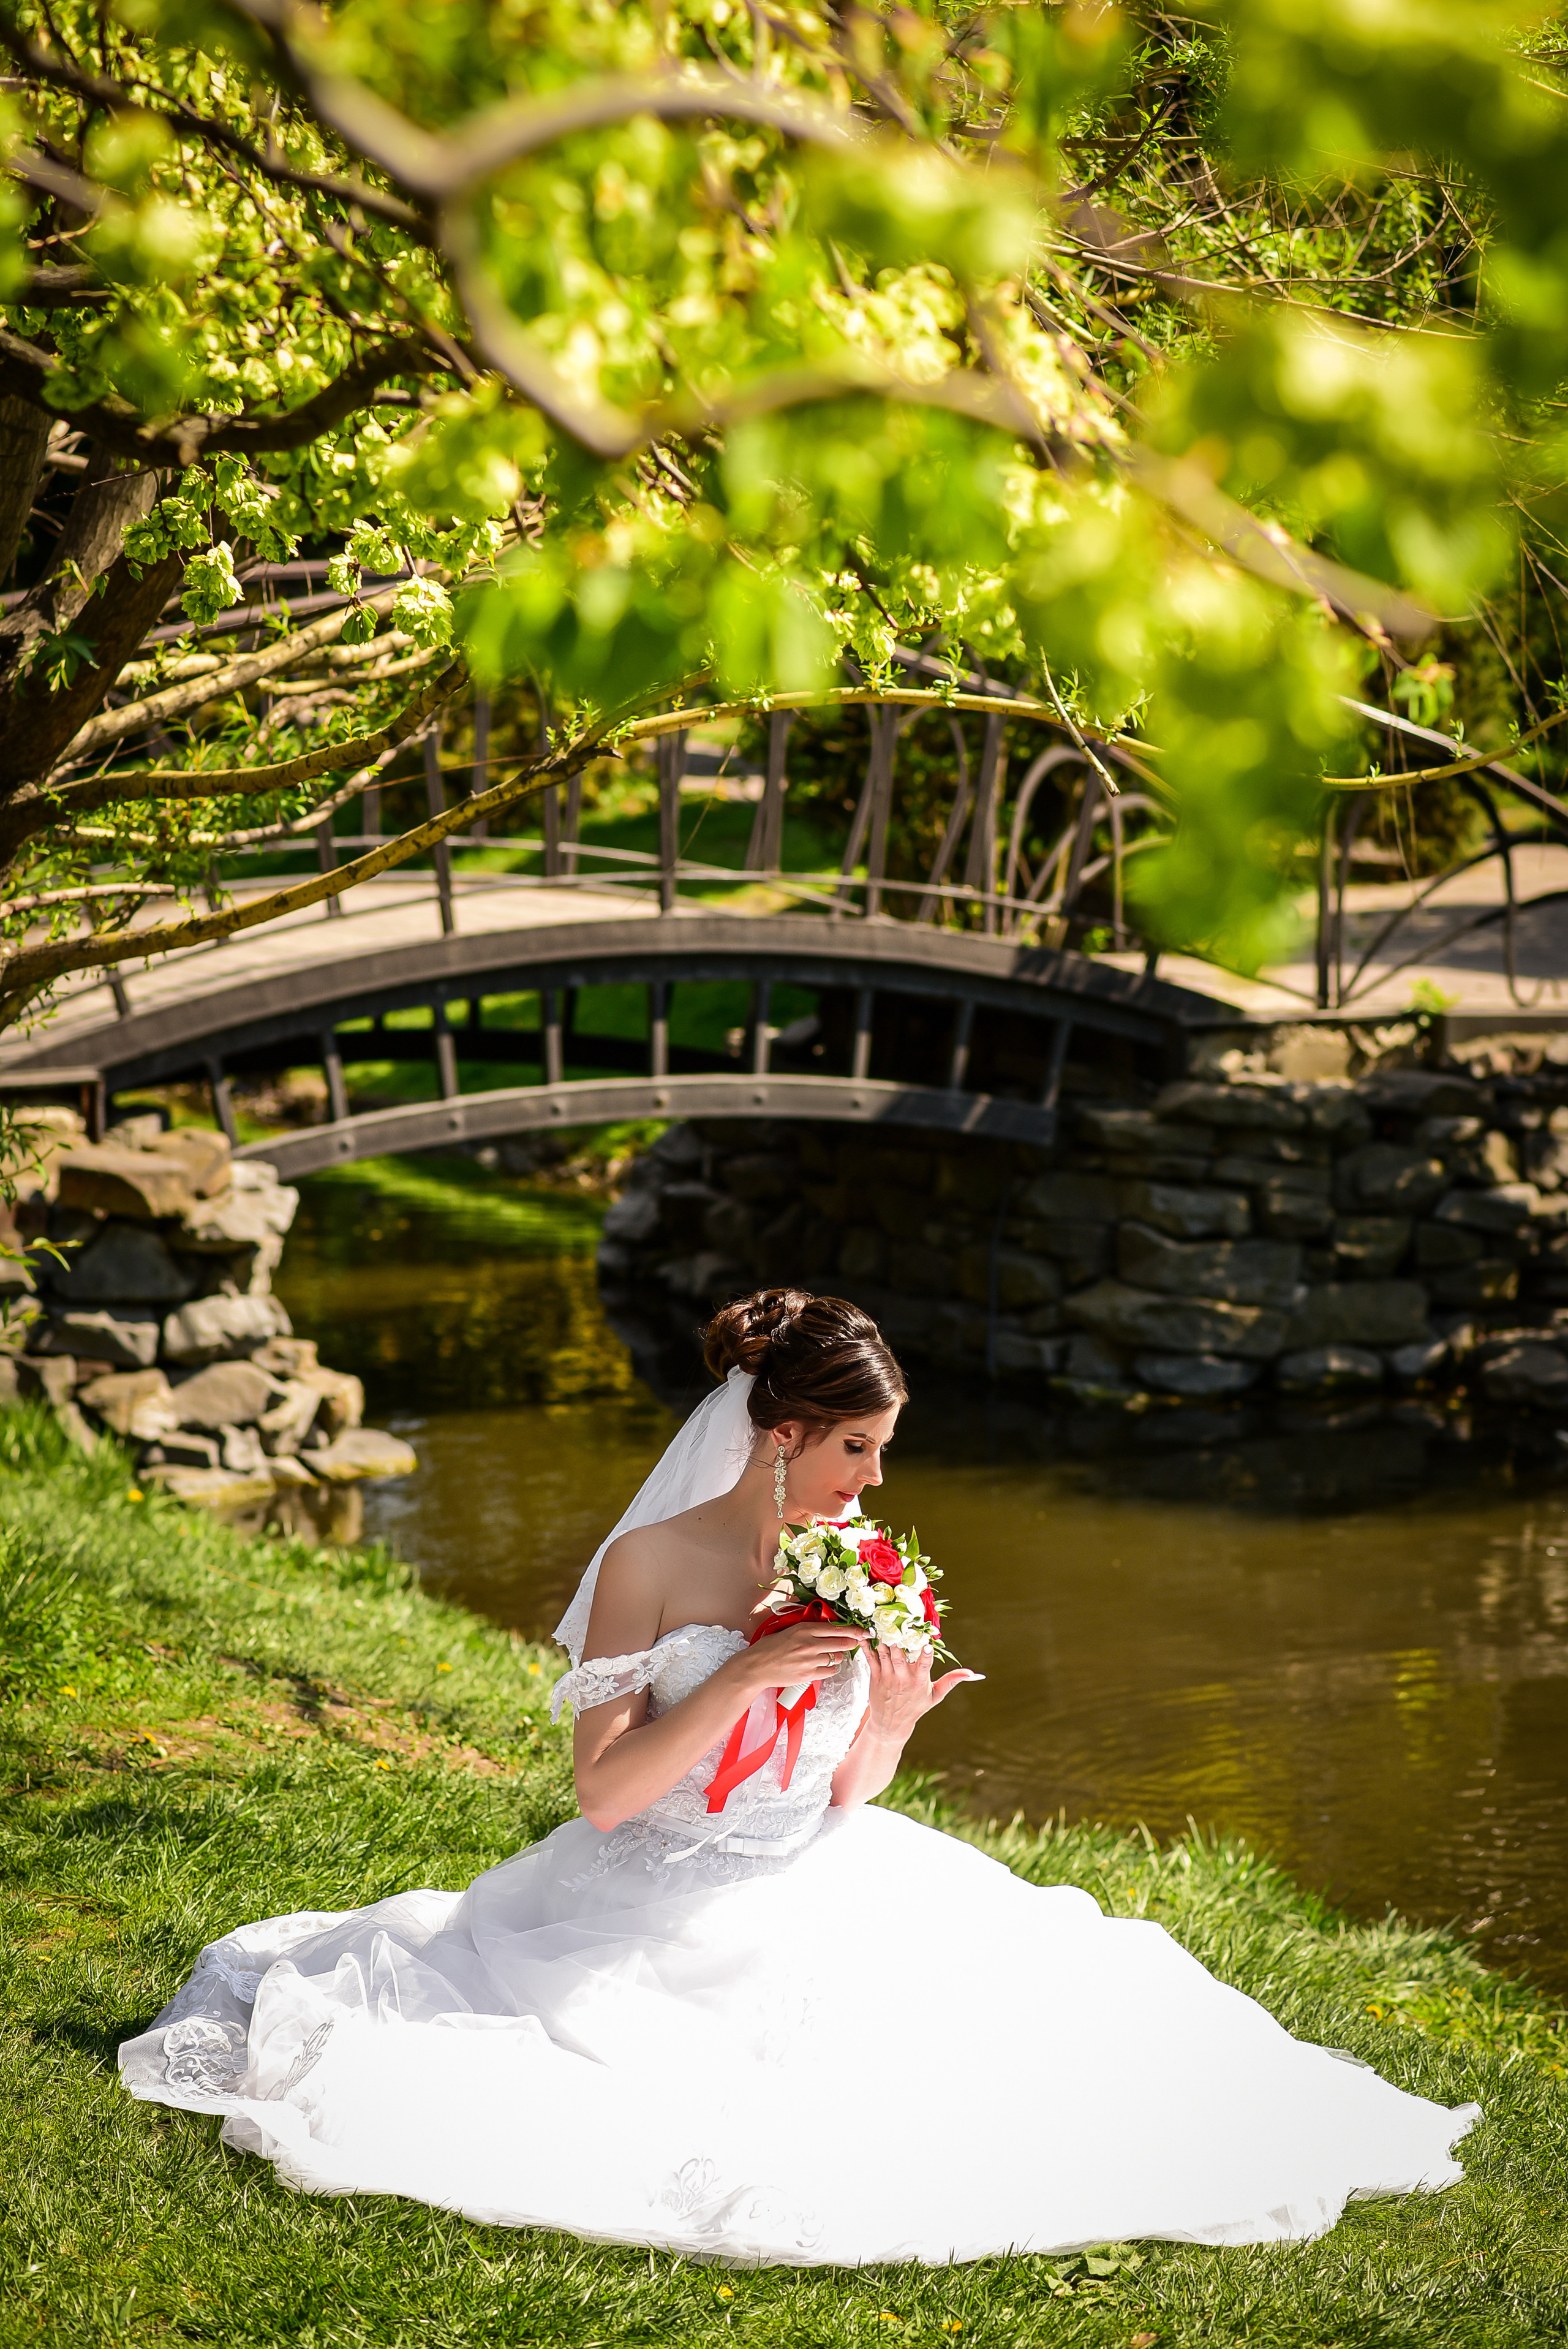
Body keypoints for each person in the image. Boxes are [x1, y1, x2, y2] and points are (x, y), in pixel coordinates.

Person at [121, 1287, 1478, 2265]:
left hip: (821, 1868)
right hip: (647, 1887)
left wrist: (888, 1721)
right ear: (781, 1436)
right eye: (855, 1448)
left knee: (1047, 2050)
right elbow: (603, 1795)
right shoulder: (648, 1567)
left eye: (882, 1450)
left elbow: (843, 1791)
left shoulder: (864, 1567)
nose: (873, 1481)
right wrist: (732, 1683)